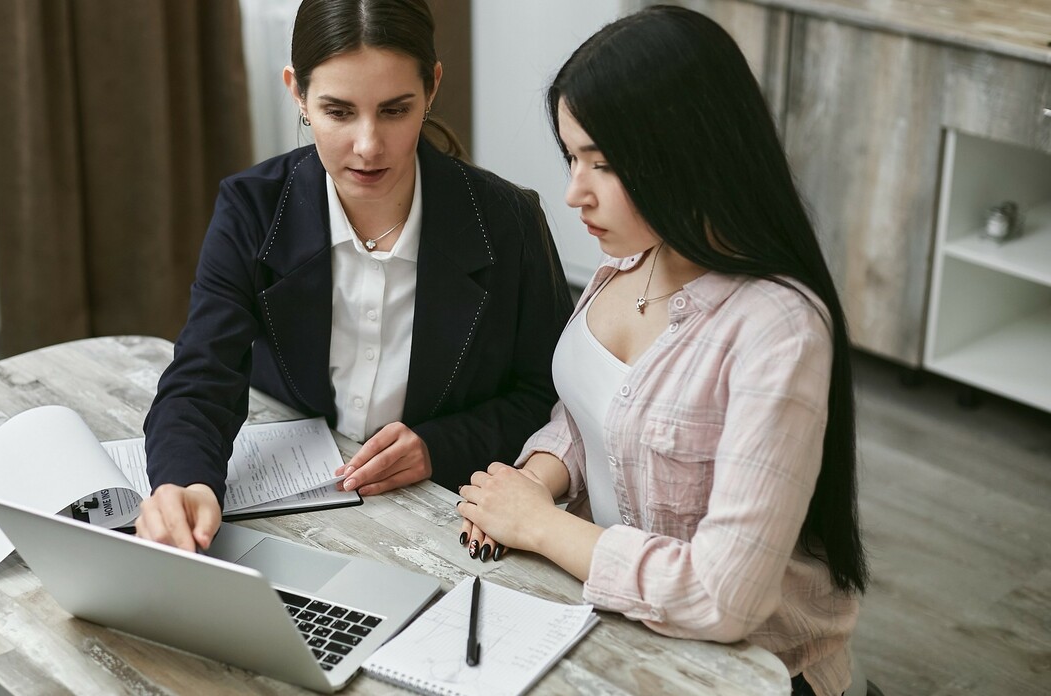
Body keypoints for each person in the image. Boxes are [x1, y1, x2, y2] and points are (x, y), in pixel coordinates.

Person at [456, 6, 868, 696]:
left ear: (687, 154)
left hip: (744, 668)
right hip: (612, 617)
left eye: (604, 164)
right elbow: (597, 415)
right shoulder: (633, 256)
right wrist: (541, 478)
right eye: (572, 156)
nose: (573, 193)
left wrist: (542, 528)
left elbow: (722, 597)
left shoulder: (777, 329)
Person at [138, 0, 572, 553]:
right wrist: (184, 481)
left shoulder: (507, 221)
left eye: (394, 110)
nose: (368, 146)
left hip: (448, 519)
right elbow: (202, 374)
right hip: (299, 518)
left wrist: (438, 446)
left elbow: (548, 396)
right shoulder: (251, 208)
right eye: (339, 112)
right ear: (297, 92)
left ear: (432, 87)